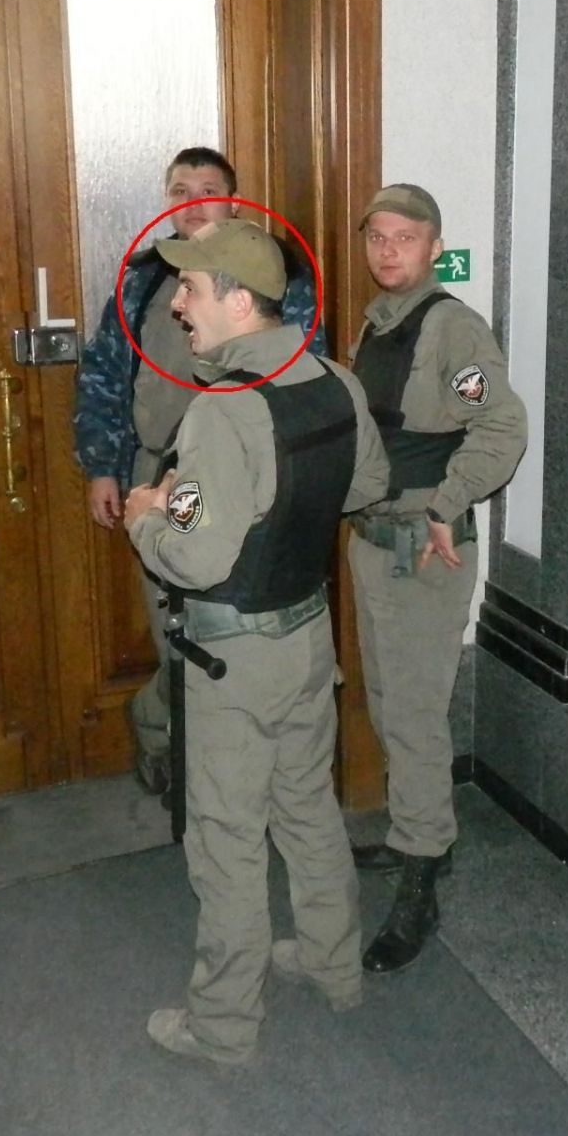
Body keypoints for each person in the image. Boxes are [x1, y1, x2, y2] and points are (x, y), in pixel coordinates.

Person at [123, 219, 389, 1065]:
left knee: (227, 839)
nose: (177, 307)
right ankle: (333, 964)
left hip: (233, 661)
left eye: (191, 290)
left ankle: (224, 1025)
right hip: (309, 638)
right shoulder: (335, 380)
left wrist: (147, 519)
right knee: (307, 809)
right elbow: (370, 484)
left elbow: (198, 558)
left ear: (240, 302)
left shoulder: (222, 410)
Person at [73, 147, 324, 800]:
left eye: (208, 188)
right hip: (159, 478)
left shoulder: (277, 277)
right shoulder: (142, 282)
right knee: (177, 632)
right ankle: (169, 744)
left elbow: (308, 376)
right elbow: (104, 375)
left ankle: (230, 772)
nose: (193, 202)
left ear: (233, 202)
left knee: (236, 629)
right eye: (179, 190)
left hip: (253, 478)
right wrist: (103, 467)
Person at [345, 184, 528, 974]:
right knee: (390, 704)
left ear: (434, 246)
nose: (388, 251)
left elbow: (502, 426)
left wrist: (449, 504)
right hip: (372, 541)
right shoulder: (377, 322)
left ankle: (421, 877)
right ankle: (419, 835)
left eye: (405, 238)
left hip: (424, 550)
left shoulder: (453, 329)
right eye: (377, 237)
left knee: (416, 716)